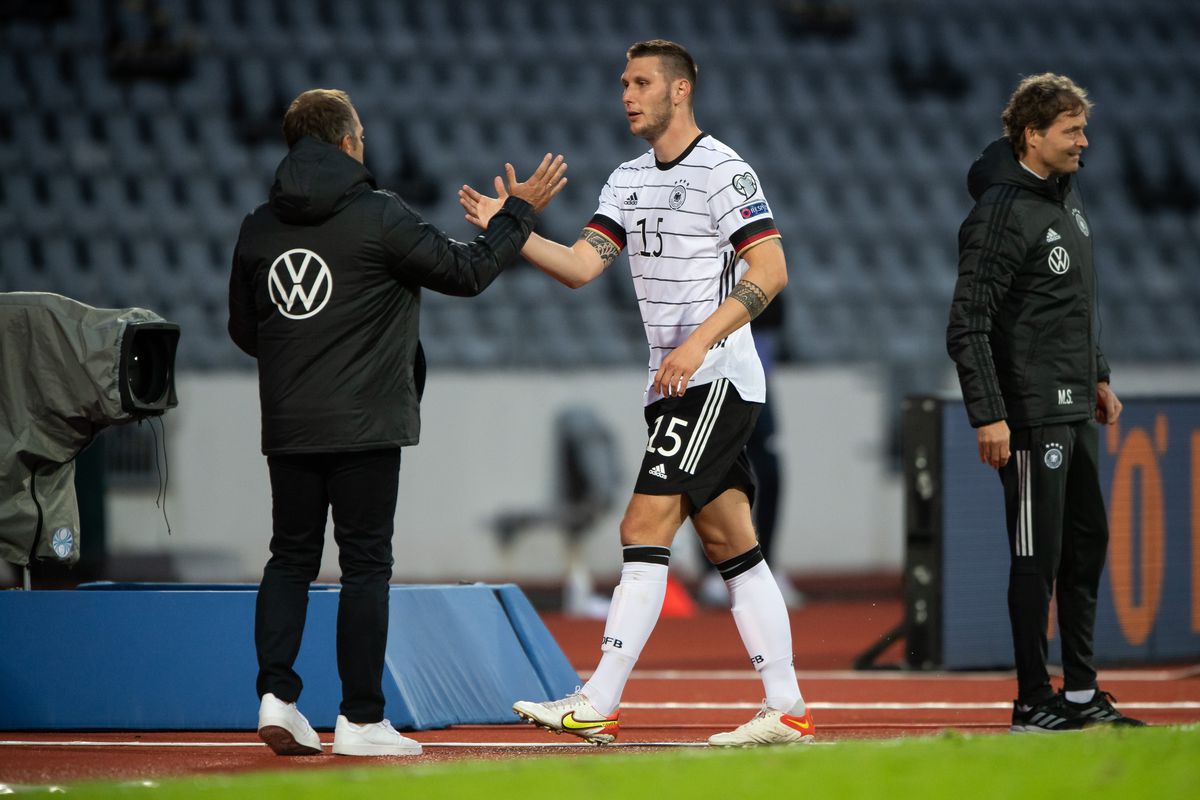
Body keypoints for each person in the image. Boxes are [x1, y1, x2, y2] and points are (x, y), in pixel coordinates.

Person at [460, 39, 813, 747]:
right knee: (731, 543)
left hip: (713, 379)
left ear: (681, 90)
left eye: (642, 82)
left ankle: (598, 699)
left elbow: (770, 269)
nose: (627, 94)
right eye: (624, 82)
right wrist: (512, 224)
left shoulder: (724, 170)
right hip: (673, 384)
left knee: (640, 528)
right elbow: (579, 266)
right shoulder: (625, 180)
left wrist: (698, 341)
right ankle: (788, 708)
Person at [229, 89, 566, 757]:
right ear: (349, 141)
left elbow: (246, 330)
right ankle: (360, 719)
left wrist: (307, 356)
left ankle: (277, 698)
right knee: (363, 565)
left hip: (291, 420)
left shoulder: (257, 227)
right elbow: (468, 272)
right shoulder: (380, 216)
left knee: (290, 556)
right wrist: (520, 212)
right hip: (365, 423)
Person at [946, 73, 1145, 732]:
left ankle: (1082, 693)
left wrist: (1099, 375)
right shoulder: (1001, 213)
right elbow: (968, 323)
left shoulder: (1066, 197)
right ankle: (1033, 700)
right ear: (1032, 135)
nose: (1084, 143)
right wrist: (990, 413)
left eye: (1082, 129)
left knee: (1086, 544)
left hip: (1072, 403)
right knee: (1037, 556)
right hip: (1029, 415)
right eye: (1071, 132)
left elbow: (1076, 300)